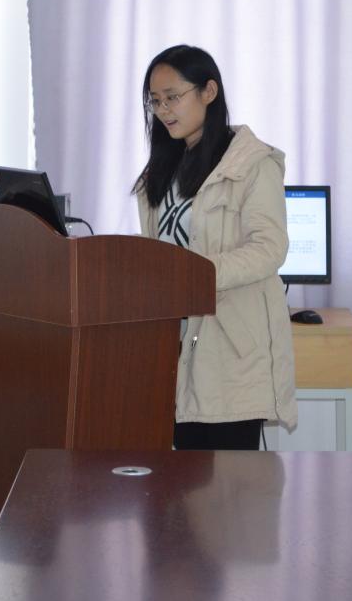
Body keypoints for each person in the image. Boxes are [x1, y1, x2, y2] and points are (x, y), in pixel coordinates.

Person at [134, 44, 297, 450]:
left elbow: (269, 247)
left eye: (173, 97)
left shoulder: (252, 164)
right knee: (181, 481)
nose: (163, 110)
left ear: (209, 92)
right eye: (155, 101)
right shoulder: (162, 169)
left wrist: (194, 276)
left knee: (230, 483)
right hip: (171, 347)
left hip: (229, 349)